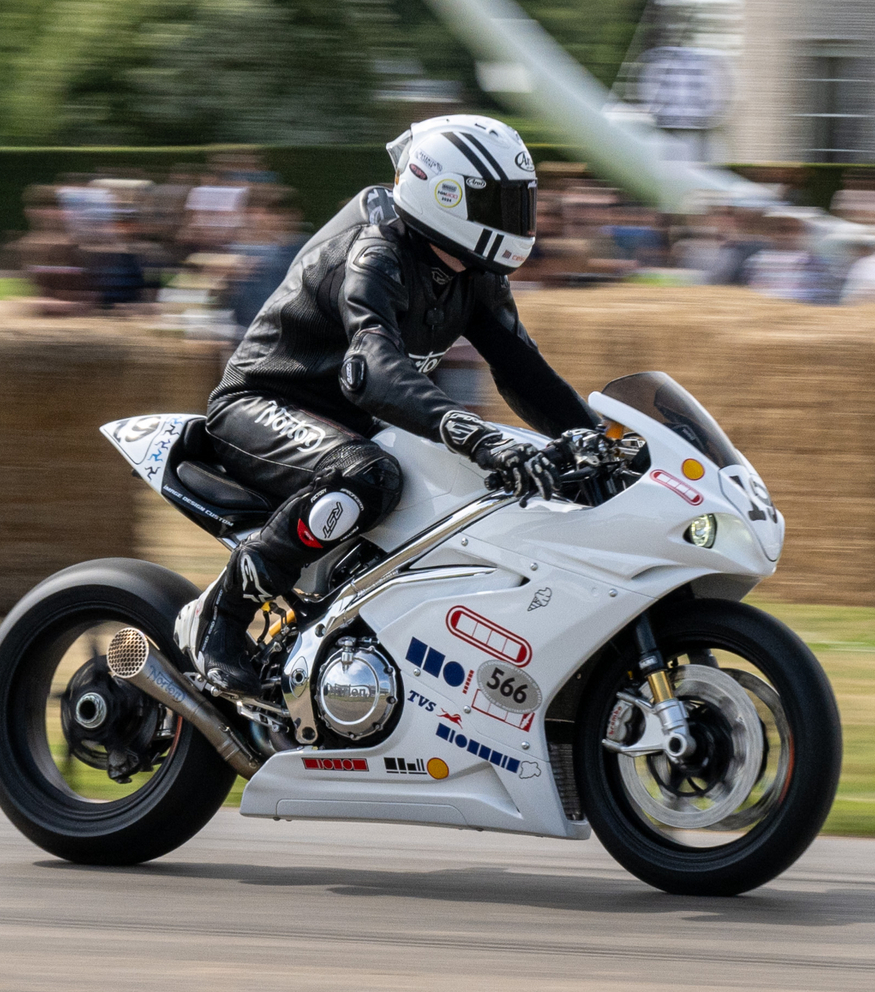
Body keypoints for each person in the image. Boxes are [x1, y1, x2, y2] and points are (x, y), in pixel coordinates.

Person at [194, 115, 599, 696]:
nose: (519, 220)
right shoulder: (374, 249)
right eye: (501, 203)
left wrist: (598, 440)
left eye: (520, 203)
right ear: (446, 195)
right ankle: (223, 619)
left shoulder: (473, 271)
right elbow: (373, 370)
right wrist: (476, 434)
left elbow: (523, 370)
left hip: (349, 426)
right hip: (259, 405)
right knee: (369, 476)